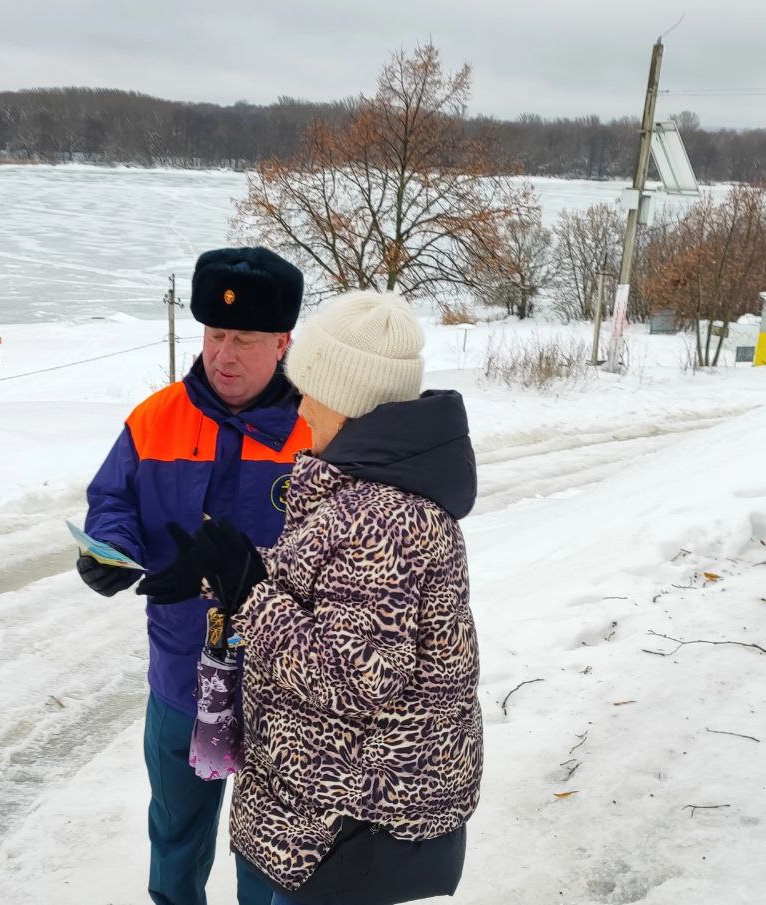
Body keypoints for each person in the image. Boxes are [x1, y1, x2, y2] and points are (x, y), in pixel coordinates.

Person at [180, 290, 483, 905]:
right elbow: (333, 593)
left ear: (345, 398)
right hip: (312, 805)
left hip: (344, 828)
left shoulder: (386, 517)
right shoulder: (364, 491)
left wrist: (254, 595)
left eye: (309, 389)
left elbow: (357, 676)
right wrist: (227, 573)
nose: (302, 409)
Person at [78, 247, 312, 905]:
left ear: (283, 341)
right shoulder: (156, 418)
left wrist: (258, 576)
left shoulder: (316, 431)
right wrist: (109, 548)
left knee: (274, 861)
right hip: (182, 679)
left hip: (283, 691)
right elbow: (114, 499)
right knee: (175, 843)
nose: (223, 354)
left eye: (244, 338)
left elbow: (346, 559)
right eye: (215, 334)